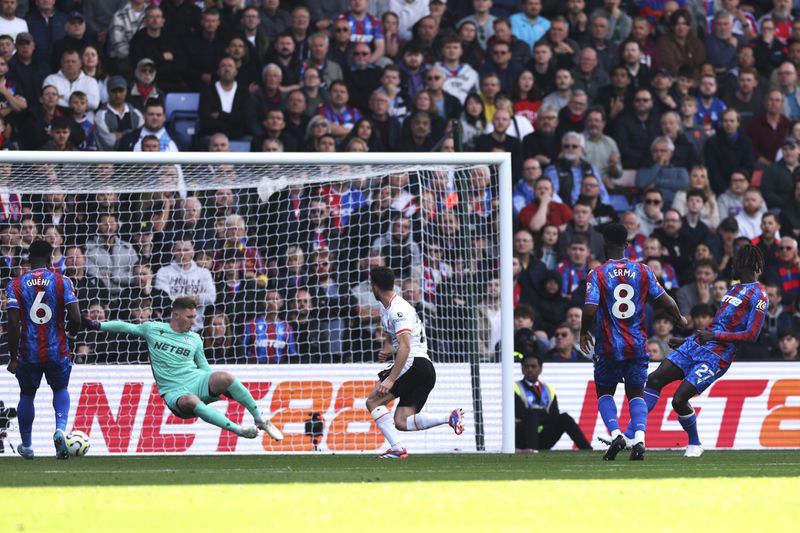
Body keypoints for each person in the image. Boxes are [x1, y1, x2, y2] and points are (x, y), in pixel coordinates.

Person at [619, 245, 767, 457]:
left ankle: (695, 443)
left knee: (679, 400)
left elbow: (752, 335)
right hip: (697, 345)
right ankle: (629, 434)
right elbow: (717, 325)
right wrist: (687, 340)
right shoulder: (734, 289)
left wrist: (714, 337)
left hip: (718, 356)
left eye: (736, 261)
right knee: (654, 379)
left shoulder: (759, 295)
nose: (732, 265)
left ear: (745, 264)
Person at [83, 296, 284, 441]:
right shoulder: (154, 329)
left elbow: (204, 367)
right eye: (189, 316)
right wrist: (97, 325)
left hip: (195, 380)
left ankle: (260, 419)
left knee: (225, 377)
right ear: (176, 315)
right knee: (190, 401)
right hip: (174, 392)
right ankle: (240, 431)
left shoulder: (195, 339)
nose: (193, 321)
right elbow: (126, 327)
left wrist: (221, 386)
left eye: (195, 316)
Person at [580, 223, 685, 461]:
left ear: (605, 245)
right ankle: (639, 438)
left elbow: (589, 309)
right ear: (627, 245)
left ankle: (616, 433)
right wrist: (678, 317)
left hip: (609, 345)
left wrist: (584, 331)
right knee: (636, 393)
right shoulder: (643, 271)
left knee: (604, 392)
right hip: (637, 344)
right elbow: (665, 301)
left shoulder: (596, 274)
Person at [365, 266, 464, 459]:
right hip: (424, 368)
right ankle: (449, 418)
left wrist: (391, 379)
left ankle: (397, 448)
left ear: (375, 287)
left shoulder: (398, 309)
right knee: (402, 421)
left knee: (373, 401)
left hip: (413, 364)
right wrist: (387, 348)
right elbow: (397, 340)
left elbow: (406, 347)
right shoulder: (388, 308)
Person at [6, 239, 82, 460]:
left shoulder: (16, 284)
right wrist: (71, 335)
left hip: (28, 352)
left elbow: (12, 324)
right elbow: (76, 317)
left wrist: (13, 358)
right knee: (60, 389)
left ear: (29, 258)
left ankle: (27, 446)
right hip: (56, 350)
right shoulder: (62, 281)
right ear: (50, 259)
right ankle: (60, 429)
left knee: (27, 394)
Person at [514, 351, 592, 452]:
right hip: (522, 435)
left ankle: (587, 450)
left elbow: (554, 416)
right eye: (526, 366)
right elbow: (521, 413)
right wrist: (542, 413)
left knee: (564, 418)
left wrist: (537, 413)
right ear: (522, 369)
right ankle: (532, 451)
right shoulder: (515, 387)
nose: (530, 370)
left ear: (540, 369)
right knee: (530, 415)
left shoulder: (548, 389)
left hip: (542, 436)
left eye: (533, 366)